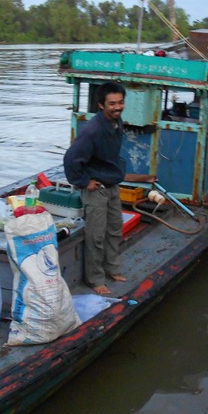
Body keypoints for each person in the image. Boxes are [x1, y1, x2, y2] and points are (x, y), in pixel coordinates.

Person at [63, 81, 129, 295]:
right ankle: (95, 278)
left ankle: (112, 268)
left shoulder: (117, 123)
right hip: (97, 189)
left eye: (120, 102)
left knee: (115, 230)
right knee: (96, 235)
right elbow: (71, 159)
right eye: (112, 104)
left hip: (112, 185)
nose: (117, 107)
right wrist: (84, 182)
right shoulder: (92, 130)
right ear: (101, 105)